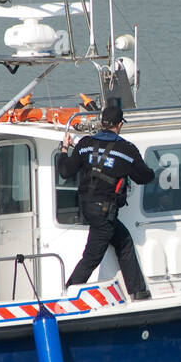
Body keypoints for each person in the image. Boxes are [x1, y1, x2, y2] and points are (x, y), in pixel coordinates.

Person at [57, 101, 155, 299]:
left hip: (86, 209)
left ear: (102, 123)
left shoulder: (84, 145)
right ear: (119, 125)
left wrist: (64, 149)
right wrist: (151, 170)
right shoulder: (126, 150)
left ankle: (138, 291)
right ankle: (67, 294)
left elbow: (65, 171)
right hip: (104, 214)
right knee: (91, 257)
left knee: (124, 241)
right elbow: (144, 177)